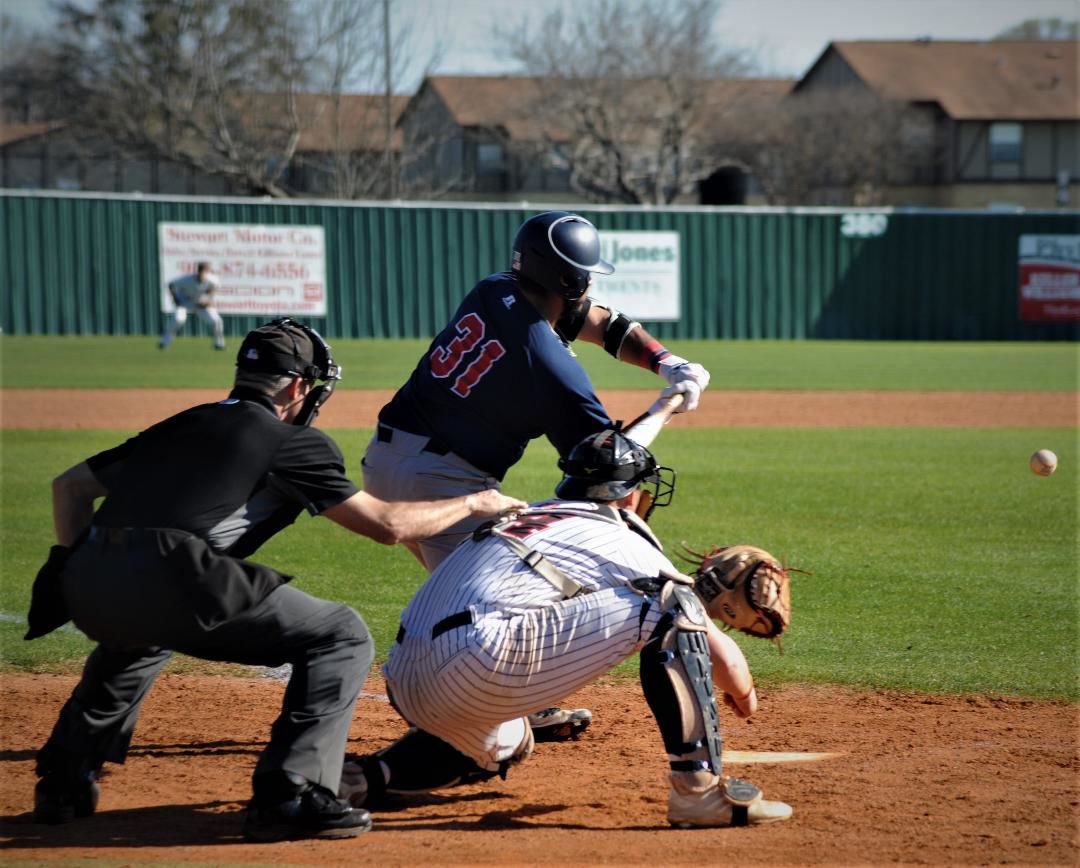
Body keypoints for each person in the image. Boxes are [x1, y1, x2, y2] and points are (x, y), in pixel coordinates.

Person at [24, 317, 526, 843]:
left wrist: (75, 564)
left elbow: (71, 487)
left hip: (86, 578)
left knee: (138, 634)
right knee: (342, 635)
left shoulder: (185, 421)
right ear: (296, 387)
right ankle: (292, 792)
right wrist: (476, 502)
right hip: (175, 572)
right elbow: (388, 526)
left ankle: (63, 779)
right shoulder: (291, 441)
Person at [361, 210, 710, 738]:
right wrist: (666, 406)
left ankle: (506, 699)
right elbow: (606, 464)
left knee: (470, 590)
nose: (588, 284)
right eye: (584, 274)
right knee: (523, 587)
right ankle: (484, 703)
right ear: (568, 279)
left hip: (391, 460)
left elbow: (594, 318)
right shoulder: (548, 364)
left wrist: (667, 361)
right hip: (441, 482)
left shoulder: (497, 289)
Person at [338, 428, 793, 829]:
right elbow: (722, 655)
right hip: (477, 665)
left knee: (509, 741)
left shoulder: (530, 514)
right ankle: (699, 792)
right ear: (627, 496)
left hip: (404, 677)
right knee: (674, 605)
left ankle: (358, 780)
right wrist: (747, 699)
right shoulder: (621, 538)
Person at [159, 261, 226, 350]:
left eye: (205, 271)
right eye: (201, 270)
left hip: (200, 303)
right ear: (197, 271)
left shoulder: (212, 279)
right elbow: (171, 285)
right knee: (178, 319)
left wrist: (208, 300)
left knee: (216, 321)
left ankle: (219, 344)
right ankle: (164, 342)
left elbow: (213, 289)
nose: (202, 273)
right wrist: (176, 299)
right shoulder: (187, 279)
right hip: (185, 301)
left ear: (208, 271)